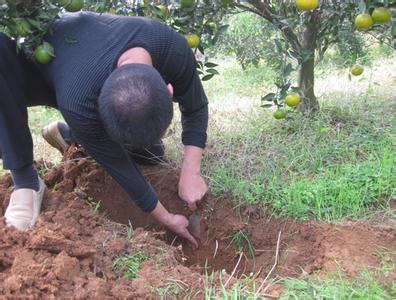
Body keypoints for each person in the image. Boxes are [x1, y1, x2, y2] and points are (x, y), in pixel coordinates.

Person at [2, 12, 209, 248]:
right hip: (31, 64)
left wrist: (191, 172)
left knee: (150, 154)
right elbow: (119, 167)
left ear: (168, 88)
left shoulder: (172, 48)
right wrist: (168, 218)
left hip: (78, 68)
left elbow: (196, 107)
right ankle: (26, 180)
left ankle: (70, 134)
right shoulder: (78, 102)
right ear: (99, 106)